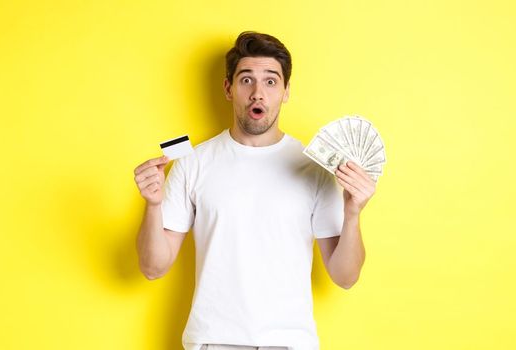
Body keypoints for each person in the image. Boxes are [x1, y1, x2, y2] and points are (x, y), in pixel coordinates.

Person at [132, 31, 377, 350]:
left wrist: (353, 214)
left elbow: (346, 277)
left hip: (289, 342)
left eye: (271, 82)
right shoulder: (193, 163)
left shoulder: (315, 168)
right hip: (213, 341)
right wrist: (152, 205)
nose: (258, 93)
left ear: (286, 91)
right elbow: (153, 268)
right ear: (228, 88)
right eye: (246, 80)